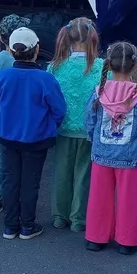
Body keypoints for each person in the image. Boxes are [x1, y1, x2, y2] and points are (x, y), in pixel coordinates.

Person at [0, 27, 66, 240]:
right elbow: (59, 110)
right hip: (37, 138)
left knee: (10, 179)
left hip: (7, 136)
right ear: (37, 49)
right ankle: (27, 226)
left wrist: (3, 121)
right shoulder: (45, 79)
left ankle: (10, 226)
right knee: (30, 182)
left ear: (11, 51)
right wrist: (48, 126)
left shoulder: (3, 76)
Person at [83, 42, 137, 254]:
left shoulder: (99, 93)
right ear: (134, 66)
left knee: (98, 197)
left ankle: (96, 237)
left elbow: (89, 122)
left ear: (109, 66)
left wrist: (93, 141)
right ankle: (127, 241)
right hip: (130, 157)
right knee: (129, 199)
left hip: (102, 154)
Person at [47, 18, 103, 233]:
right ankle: (79, 219)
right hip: (88, 130)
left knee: (61, 171)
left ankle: (59, 216)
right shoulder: (99, 66)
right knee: (84, 175)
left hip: (62, 128)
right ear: (92, 38)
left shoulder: (54, 67)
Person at [0, 15, 28, 216]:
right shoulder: (17, 62)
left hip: (0, 114)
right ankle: (15, 196)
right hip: (17, 114)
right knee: (16, 158)